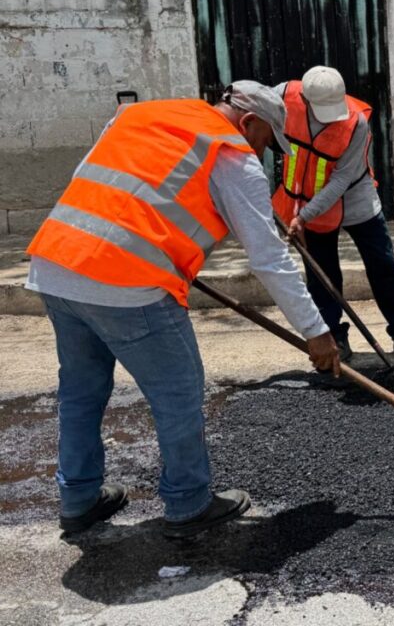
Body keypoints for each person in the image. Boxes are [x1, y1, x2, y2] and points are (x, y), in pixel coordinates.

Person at [25, 82, 341, 538]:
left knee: (81, 392)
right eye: (268, 142)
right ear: (249, 122)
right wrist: (317, 332)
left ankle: (78, 499)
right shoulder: (231, 153)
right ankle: (188, 502)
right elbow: (269, 259)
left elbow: (103, 185)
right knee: (177, 393)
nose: (265, 154)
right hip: (127, 284)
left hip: (56, 265)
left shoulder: (140, 117)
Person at [271, 66, 394, 363]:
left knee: (383, 265)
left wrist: (304, 215)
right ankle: (335, 339)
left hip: (355, 200)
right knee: (323, 275)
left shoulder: (355, 122)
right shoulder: (281, 96)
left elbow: (341, 180)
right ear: (304, 100)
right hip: (309, 206)